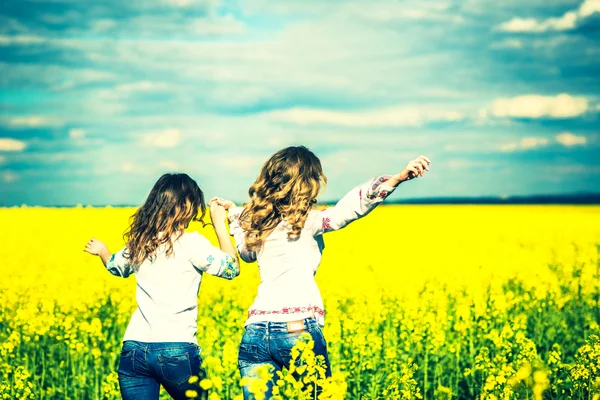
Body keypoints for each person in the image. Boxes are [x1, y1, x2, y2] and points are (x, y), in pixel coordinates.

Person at [215, 146, 431, 399]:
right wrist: (395, 179)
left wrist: (233, 214)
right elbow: (346, 211)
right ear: (308, 183)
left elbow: (246, 252)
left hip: (254, 333)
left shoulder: (259, 227)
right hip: (298, 329)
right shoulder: (308, 222)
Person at [84, 173, 240, 400]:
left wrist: (102, 250)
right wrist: (219, 225)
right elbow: (231, 268)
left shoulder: (139, 242)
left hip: (134, 349)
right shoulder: (191, 242)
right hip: (176, 348)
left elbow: (115, 266)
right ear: (186, 206)